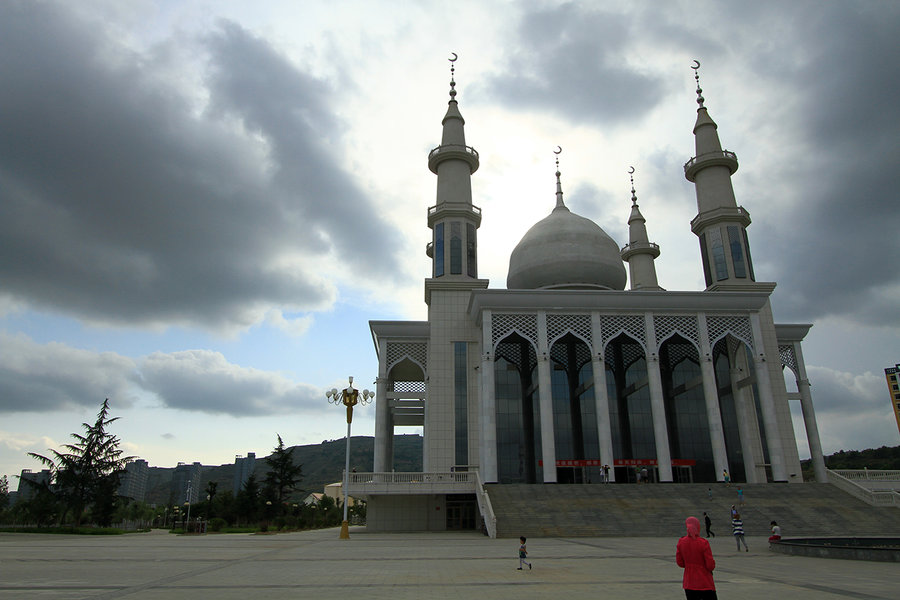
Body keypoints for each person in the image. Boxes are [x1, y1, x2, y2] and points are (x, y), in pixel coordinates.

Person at [676, 516, 718, 599]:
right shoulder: (703, 543)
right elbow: (710, 565)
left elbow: (680, 563)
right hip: (704, 582)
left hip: (689, 583)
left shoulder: (681, 542)